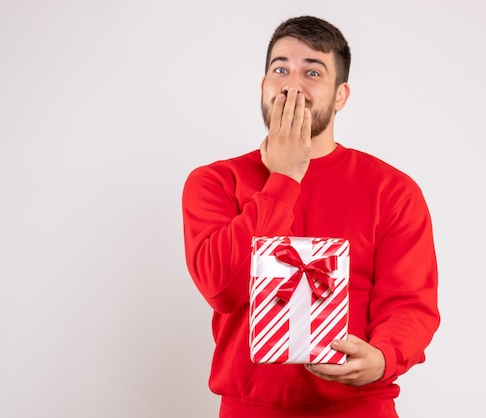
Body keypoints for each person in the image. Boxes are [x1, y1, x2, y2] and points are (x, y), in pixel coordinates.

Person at [182, 15, 439, 418]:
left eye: (312, 71)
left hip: (359, 406)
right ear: (264, 85)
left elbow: (410, 304)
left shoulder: (392, 190)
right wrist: (284, 177)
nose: (291, 83)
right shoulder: (215, 182)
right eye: (279, 68)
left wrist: (383, 357)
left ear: (340, 95)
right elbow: (223, 289)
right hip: (250, 408)